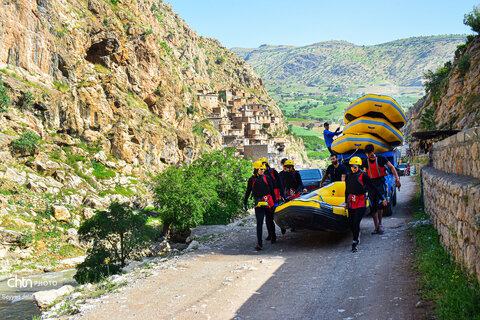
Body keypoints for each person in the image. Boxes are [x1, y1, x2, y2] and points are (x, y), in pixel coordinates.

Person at [345, 157, 387, 252]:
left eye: (355, 167)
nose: (353, 169)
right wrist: (346, 202)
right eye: (352, 167)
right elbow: (346, 190)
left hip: (360, 201)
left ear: (359, 167)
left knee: (356, 222)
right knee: (351, 223)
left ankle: (355, 242)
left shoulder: (364, 176)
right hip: (351, 201)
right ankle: (357, 234)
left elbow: (373, 187)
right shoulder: (348, 176)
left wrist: (382, 198)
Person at [362, 144, 401, 235]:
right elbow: (364, 173)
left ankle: (380, 224)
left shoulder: (381, 159)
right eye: (367, 154)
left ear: (373, 151)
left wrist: (397, 179)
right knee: (373, 207)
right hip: (371, 185)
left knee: (380, 205)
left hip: (380, 183)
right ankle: (375, 227)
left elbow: (391, 167)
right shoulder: (365, 162)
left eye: (370, 153)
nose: (369, 155)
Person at [244, 161, 278, 250]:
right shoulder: (251, 180)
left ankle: (273, 237)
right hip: (258, 203)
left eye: (263, 169)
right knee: (259, 223)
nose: (262, 170)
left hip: (268, 202)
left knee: (270, 221)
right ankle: (259, 243)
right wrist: (245, 202)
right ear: (256, 169)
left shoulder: (267, 178)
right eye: (260, 169)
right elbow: (248, 191)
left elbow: (272, 190)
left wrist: (275, 202)